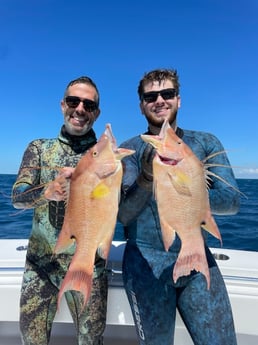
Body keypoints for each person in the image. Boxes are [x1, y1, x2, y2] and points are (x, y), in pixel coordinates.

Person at [118, 68, 240, 345]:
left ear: (179, 100)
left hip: (196, 259)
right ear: (141, 106)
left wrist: (189, 191)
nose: (159, 100)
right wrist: (147, 177)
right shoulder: (130, 150)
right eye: (151, 96)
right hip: (144, 267)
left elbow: (231, 202)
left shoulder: (205, 143)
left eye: (167, 93)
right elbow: (124, 215)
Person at [12, 76, 107, 345]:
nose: (80, 109)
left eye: (88, 105)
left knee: (92, 341)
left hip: (90, 266)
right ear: (62, 104)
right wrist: (46, 192)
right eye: (73, 101)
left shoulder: (105, 157)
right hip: (41, 266)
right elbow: (17, 197)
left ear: (96, 113)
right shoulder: (39, 149)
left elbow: (118, 206)